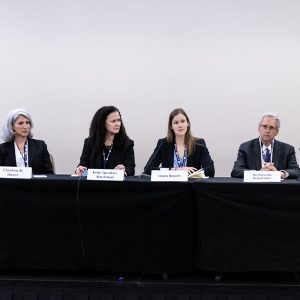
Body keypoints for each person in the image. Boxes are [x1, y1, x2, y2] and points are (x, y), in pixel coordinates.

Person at [144, 108, 215, 177]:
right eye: (176, 123)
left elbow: (210, 170)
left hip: (190, 187)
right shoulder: (163, 143)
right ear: (171, 126)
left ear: (188, 123)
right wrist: (175, 170)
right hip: (168, 187)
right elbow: (148, 169)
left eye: (183, 121)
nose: (180, 125)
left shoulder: (199, 143)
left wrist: (188, 173)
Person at [231, 112, 300, 179]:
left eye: (271, 128)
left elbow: (296, 171)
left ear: (277, 132)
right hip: (253, 188)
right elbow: (236, 171)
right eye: (264, 126)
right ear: (259, 128)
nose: (267, 131)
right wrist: (258, 174)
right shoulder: (245, 147)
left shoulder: (287, 149)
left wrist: (279, 174)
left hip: (278, 188)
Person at [76, 106, 135, 176]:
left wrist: (124, 171)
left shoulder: (127, 144)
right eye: (113, 121)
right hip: (93, 185)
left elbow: (130, 168)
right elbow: (83, 165)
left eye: (119, 120)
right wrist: (80, 169)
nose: (118, 124)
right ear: (102, 123)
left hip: (117, 185)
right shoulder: (89, 142)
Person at [0, 109, 54, 174]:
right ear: (11, 126)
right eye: (20, 123)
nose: (25, 127)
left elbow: (50, 173)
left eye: (27, 123)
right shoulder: (2, 149)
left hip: (36, 183)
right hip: (11, 184)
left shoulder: (40, 146)